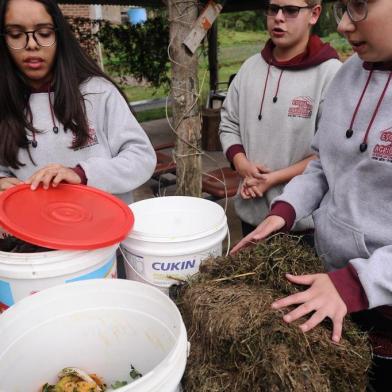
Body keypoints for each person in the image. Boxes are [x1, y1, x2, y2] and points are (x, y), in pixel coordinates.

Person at [232, 0, 392, 390]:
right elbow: (324, 164)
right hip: (331, 282)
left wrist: (356, 283)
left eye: (358, 7)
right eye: (342, 7)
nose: (343, 26)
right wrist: (283, 212)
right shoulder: (349, 75)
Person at [0, 0, 156, 204]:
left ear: (59, 35)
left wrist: (83, 174)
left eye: (44, 33)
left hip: (105, 228)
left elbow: (141, 157)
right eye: (16, 34)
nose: (31, 44)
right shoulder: (4, 102)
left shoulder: (98, 92)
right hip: (36, 233)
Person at [219, 0, 341, 238]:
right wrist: (243, 165)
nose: (279, 17)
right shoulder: (250, 68)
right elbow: (228, 122)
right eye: (273, 9)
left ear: (314, 14)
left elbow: (331, 152)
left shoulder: (331, 73)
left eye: (291, 10)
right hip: (250, 212)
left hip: (303, 223)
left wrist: (272, 179)